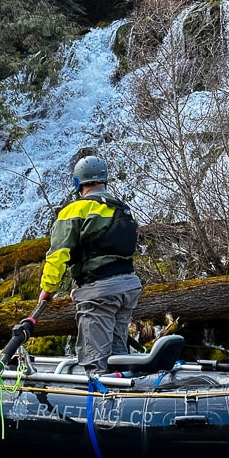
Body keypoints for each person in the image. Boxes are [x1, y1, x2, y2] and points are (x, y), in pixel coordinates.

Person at [38, 155, 141, 375]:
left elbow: (58, 254)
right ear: (104, 180)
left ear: (77, 183)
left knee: (95, 361)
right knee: (117, 353)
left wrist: (48, 289)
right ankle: (125, 392)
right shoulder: (121, 207)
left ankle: (99, 399)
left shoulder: (75, 210)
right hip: (128, 288)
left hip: (99, 293)